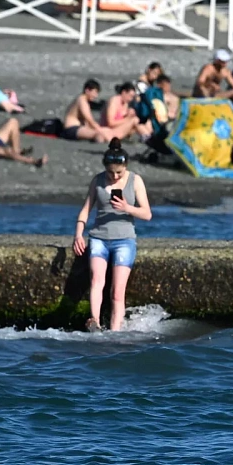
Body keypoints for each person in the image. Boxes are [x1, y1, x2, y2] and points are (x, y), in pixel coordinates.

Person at [73, 138, 151, 332]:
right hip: (99, 238)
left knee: (117, 292)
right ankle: (95, 322)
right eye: (110, 172)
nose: (115, 176)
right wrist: (78, 234)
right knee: (96, 281)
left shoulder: (135, 181)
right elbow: (85, 210)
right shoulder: (98, 181)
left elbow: (147, 214)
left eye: (119, 172)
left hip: (124, 241)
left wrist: (126, 207)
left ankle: (115, 332)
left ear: (125, 166)